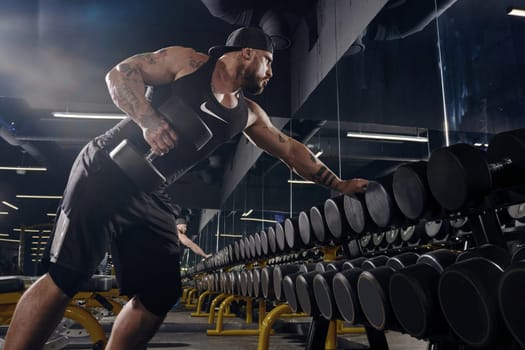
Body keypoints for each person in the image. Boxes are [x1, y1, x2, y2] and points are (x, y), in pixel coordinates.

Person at [4, 26, 368, 349]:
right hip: (107, 169)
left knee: (160, 292)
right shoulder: (188, 63)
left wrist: (337, 184)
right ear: (248, 53)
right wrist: (147, 119)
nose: (272, 72)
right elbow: (120, 74)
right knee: (67, 275)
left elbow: (290, 149)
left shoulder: (248, 113)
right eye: (269, 62)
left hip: (150, 192)